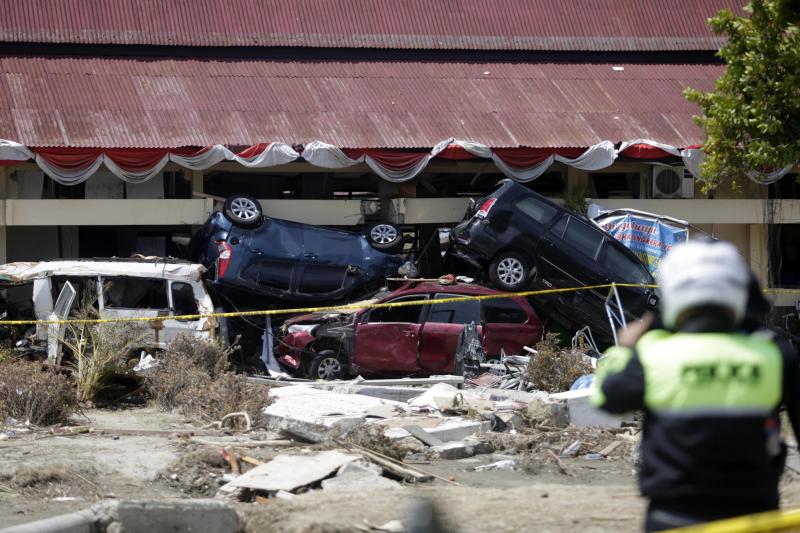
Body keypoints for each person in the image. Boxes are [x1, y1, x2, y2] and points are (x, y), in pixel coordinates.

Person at [592, 240, 800, 531]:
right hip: (756, 515)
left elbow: (608, 398)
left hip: (674, 517)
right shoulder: (773, 352)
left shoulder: (653, 351)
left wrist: (625, 350)